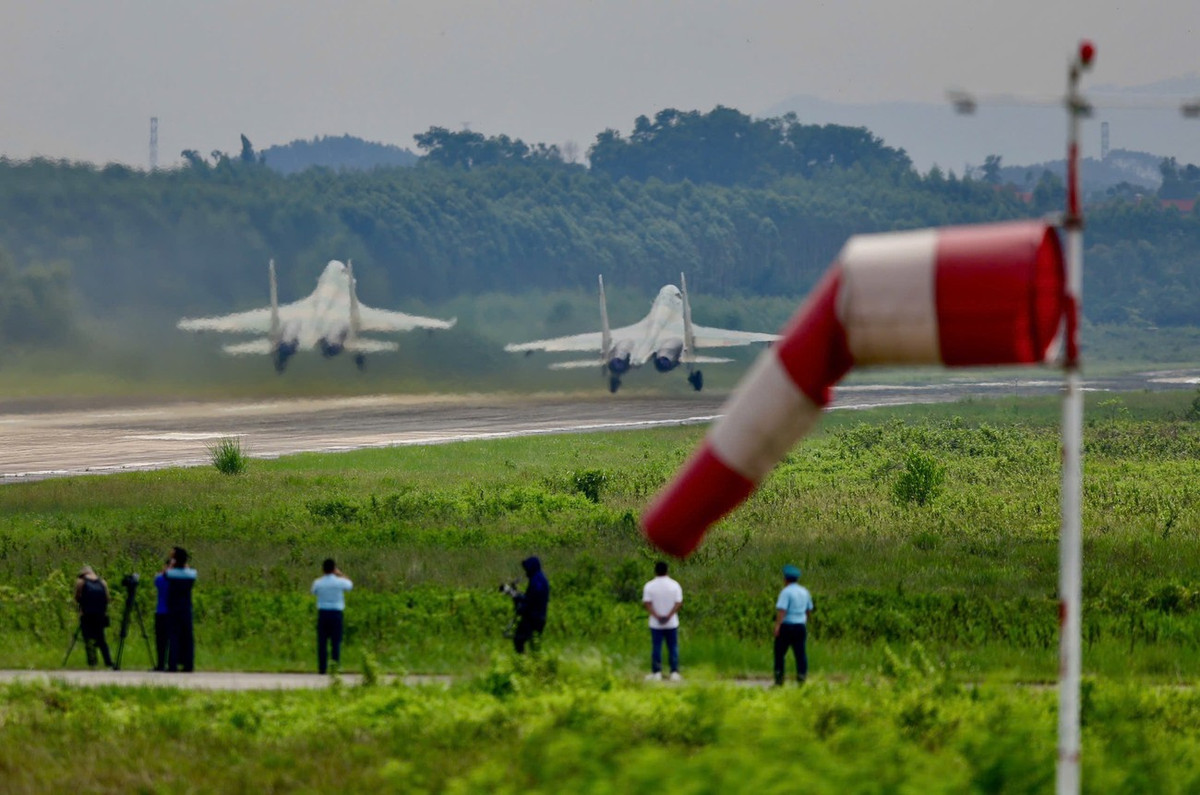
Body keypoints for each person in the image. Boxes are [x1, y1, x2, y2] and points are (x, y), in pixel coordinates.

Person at [773, 564, 814, 685]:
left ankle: (779, 680)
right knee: (800, 654)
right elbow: (809, 609)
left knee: (779, 653)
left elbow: (782, 610)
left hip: (787, 626)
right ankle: (801, 679)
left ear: (786, 579)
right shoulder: (804, 591)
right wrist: (805, 621)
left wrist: (777, 626)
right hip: (800, 626)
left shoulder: (786, 592)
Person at [311, 558, 353, 674]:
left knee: (322, 642)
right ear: (334, 569)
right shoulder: (339, 582)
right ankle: (335, 667)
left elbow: (313, 591)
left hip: (323, 613)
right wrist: (340, 574)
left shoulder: (318, 582)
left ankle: (322, 668)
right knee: (336, 642)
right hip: (336, 614)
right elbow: (350, 585)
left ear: (322, 569)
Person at [643, 560, 683, 681]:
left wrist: (657, 616)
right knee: (673, 647)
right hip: (671, 623)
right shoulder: (674, 585)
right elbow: (678, 602)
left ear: (655, 571)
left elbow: (647, 603)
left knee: (656, 647)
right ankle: (674, 672)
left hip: (656, 623)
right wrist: (669, 615)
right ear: (667, 570)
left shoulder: (649, 585)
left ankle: (657, 672)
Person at [74, 565, 114, 669]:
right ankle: (108, 661)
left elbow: (77, 598)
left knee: (88, 639)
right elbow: (107, 598)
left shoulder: (81, 582)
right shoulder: (102, 582)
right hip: (100, 614)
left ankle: (93, 663)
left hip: (86, 614)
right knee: (101, 639)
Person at [165, 546, 198, 673]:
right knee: (188, 637)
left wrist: (171, 564)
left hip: (173, 608)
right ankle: (188, 664)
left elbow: (165, 573)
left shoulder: (171, 574)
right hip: (186, 608)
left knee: (174, 636)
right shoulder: (191, 574)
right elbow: (189, 571)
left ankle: (172, 664)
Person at [513, 556, 549, 654]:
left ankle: (523, 663)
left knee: (519, 640)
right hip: (537, 616)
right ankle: (533, 663)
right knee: (533, 644)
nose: (526, 571)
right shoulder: (537, 579)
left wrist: (519, 597)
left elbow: (534, 598)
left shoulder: (538, 580)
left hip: (534, 617)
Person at [153, 557, 170, 671]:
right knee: (171, 640)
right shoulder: (178, 581)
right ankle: (171, 663)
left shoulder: (160, 579)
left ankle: (161, 664)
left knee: (160, 641)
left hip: (161, 612)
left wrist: (163, 571)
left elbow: (157, 578)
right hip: (173, 613)